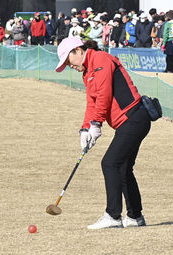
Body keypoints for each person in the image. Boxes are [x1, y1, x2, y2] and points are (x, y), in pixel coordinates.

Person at [55, 37, 151, 230]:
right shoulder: (87, 72)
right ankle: (135, 216)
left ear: (78, 51)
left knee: (110, 163)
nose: (68, 66)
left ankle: (113, 216)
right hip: (128, 122)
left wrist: (96, 124)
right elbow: (92, 102)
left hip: (134, 118)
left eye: (68, 61)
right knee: (123, 167)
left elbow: (105, 94)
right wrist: (85, 129)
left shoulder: (100, 59)